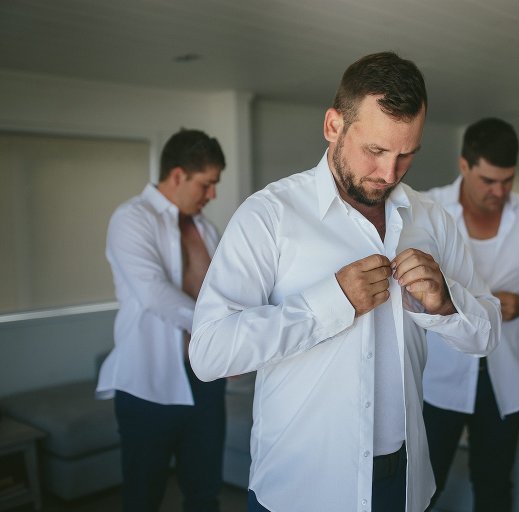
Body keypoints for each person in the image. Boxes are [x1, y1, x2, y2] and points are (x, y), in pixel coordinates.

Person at [189, 52, 500, 512]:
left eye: (406, 154)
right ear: (334, 125)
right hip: (300, 487)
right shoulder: (269, 215)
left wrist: (446, 304)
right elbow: (209, 352)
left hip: (403, 482)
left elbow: (488, 333)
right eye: (375, 151)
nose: (389, 174)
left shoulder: (432, 219)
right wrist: (329, 304)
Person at [421, 118, 519, 511]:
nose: (500, 191)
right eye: (489, 180)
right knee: (421, 487)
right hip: (437, 376)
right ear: (464, 166)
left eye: (507, 180)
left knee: (493, 487)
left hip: (506, 376)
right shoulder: (427, 208)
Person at [96, 129, 227, 512]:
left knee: (204, 493)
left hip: (205, 380)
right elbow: (154, 293)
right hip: (147, 384)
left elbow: (225, 295)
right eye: (207, 184)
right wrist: (220, 334)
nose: (212, 195)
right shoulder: (131, 219)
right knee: (143, 497)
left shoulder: (207, 229)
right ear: (178, 175)